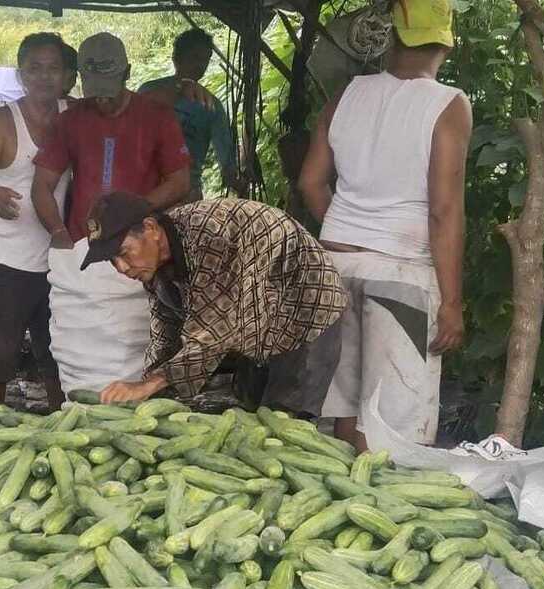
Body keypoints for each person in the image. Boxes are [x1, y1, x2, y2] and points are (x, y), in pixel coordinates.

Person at [297, 0, 470, 449]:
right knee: (395, 424)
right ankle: (380, 508)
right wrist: (452, 302)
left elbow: (311, 184)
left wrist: (353, 233)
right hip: (401, 274)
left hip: (335, 266)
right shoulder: (448, 106)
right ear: (446, 46)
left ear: (391, 37)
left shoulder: (347, 95)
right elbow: (443, 211)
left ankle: (345, 505)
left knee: (344, 405)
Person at [84, 192, 348, 414]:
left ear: (151, 229)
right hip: (253, 318)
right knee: (251, 410)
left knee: (284, 422)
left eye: (123, 253)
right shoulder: (155, 261)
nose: (121, 267)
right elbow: (166, 332)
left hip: (303, 309)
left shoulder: (211, 236)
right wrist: (148, 389)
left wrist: (151, 384)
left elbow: (214, 330)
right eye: (111, 260)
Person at [32, 32, 191, 394]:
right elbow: (42, 185)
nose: (101, 99)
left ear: (128, 73)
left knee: (137, 345)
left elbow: (180, 181)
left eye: (109, 88)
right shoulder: (71, 120)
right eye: (94, 90)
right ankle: (79, 406)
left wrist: (138, 210)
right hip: (85, 251)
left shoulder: (156, 117)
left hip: (137, 247)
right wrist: (59, 235)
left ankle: (138, 402)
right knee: (79, 349)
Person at [0, 33, 69, 409]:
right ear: (21, 74)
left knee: (59, 351)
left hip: (59, 257)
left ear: (65, 73)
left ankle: (63, 420)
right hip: (6, 259)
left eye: (53, 68)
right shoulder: (1, 122)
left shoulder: (74, 114)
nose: (44, 76)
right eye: (35, 68)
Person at [139, 28, 239, 201]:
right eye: (194, 58)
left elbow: (227, 162)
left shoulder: (210, 105)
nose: (200, 65)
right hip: (147, 187)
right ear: (177, 58)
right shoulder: (150, 91)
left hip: (186, 193)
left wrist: (237, 179)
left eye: (205, 60)